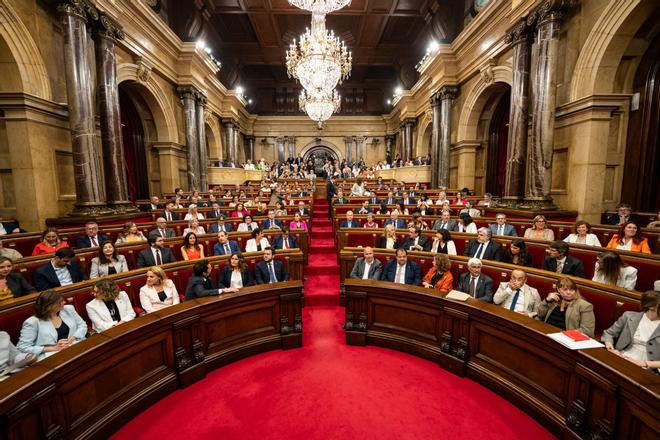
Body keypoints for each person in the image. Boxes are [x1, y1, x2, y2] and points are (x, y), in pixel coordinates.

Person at [17, 290, 87, 360]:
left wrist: (73, 338)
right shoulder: (32, 322)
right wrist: (53, 348)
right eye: (60, 302)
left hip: (76, 346)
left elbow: (82, 325)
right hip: (52, 356)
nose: (64, 302)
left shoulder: (68, 309)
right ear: (49, 306)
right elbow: (23, 347)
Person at [602, 290, 660, 371]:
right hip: (623, 356)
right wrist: (611, 349)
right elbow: (609, 333)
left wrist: (645, 363)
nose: (652, 312)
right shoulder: (629, 316)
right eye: (651, 308)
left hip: (649, 366)